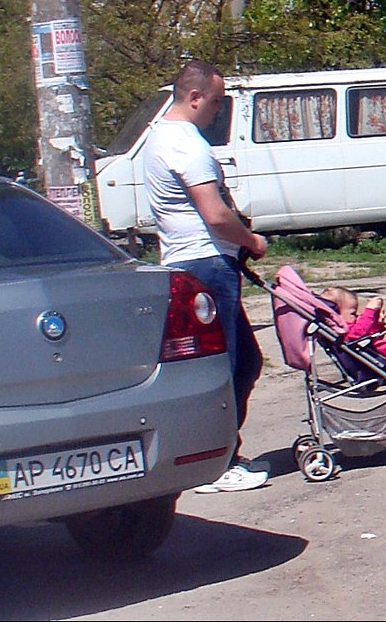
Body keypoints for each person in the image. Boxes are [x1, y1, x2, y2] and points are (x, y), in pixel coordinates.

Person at [144, 59, 271, 492]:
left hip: (195, 262)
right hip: (206, 264)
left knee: (245, 362)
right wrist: (251, 241)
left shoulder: (160, 136)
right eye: (216, 102)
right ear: (193, 97)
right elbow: (215, 214)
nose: (218, 111)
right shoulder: (186, 145)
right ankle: (216, 461)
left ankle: (217, 451)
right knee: (226, 365)